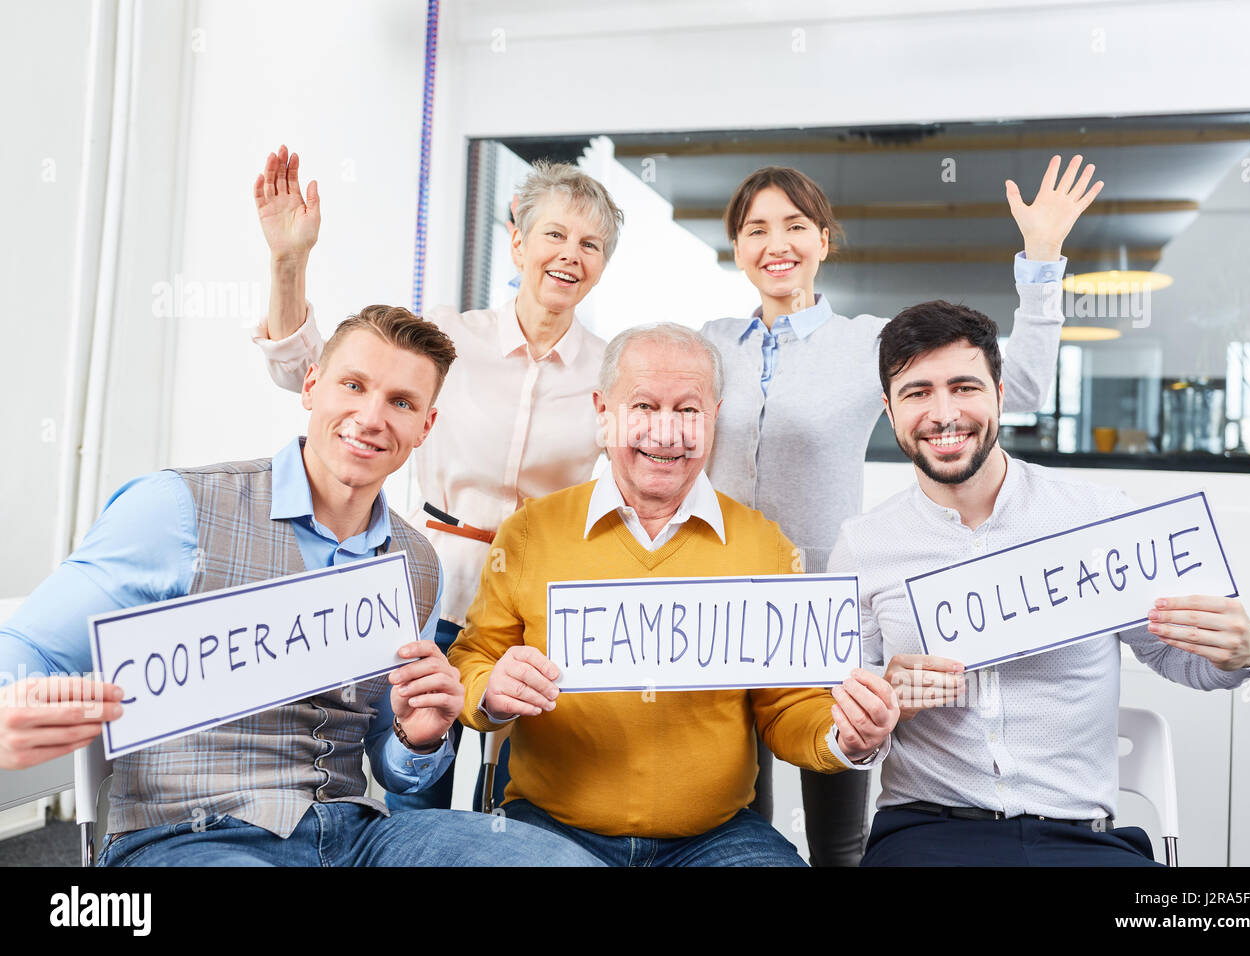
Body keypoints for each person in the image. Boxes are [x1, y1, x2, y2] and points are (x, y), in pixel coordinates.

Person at [0, 306, 599, 867]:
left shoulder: (416, 562)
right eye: (354, 386)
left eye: (401, 402)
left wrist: (418, 739)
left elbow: (389, 760)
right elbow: (32, 649)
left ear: (426, 426)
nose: (371, 418)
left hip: (354, 832)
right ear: (311, 385)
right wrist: (12, 703)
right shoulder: (177, 508)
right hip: (190, 831)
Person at [698, 154, 1103, 866]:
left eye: (795, 225)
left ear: (824, 239)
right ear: (737, 247)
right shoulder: (712, 343)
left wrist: (1042, 260)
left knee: (839, 830)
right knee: (736, 817)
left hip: (833, 609)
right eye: (756, 229)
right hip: (729, 603)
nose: (776, 243)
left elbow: (1026, 385)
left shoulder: (865, 342)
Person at [828, 300, 1250, 866]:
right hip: (927, 833)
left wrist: (1244, 651)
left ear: (1001, 394)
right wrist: (876, 713)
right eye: (917, 393)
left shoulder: (1099, 517)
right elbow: (839, 725)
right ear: (889, 411)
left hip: (1082, 838)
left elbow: (1183, 659)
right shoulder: (863, 546)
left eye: (965, 387)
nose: (944, 413)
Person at [447, 324, 901, 866]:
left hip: (716, 838)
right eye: (643, 406)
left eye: (688, 411)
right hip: (550, 828)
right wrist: (489, 692)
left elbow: (789, 708)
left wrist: (845, 737)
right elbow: (473, 658)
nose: (665, 434)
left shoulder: (765, 546)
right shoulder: (530, 532)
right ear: (603, 411)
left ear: (715, 417)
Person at [252, 146, 621, 811]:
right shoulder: (449, 336)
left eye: (590, 243)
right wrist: (289, 261)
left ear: (602, 265)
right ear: (517, 244)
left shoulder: (607, 370)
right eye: (555, 234)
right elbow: (303, 370)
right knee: (414, 778)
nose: (571, 253)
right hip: (429, 592)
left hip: (535, 613)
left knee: (523, 804)